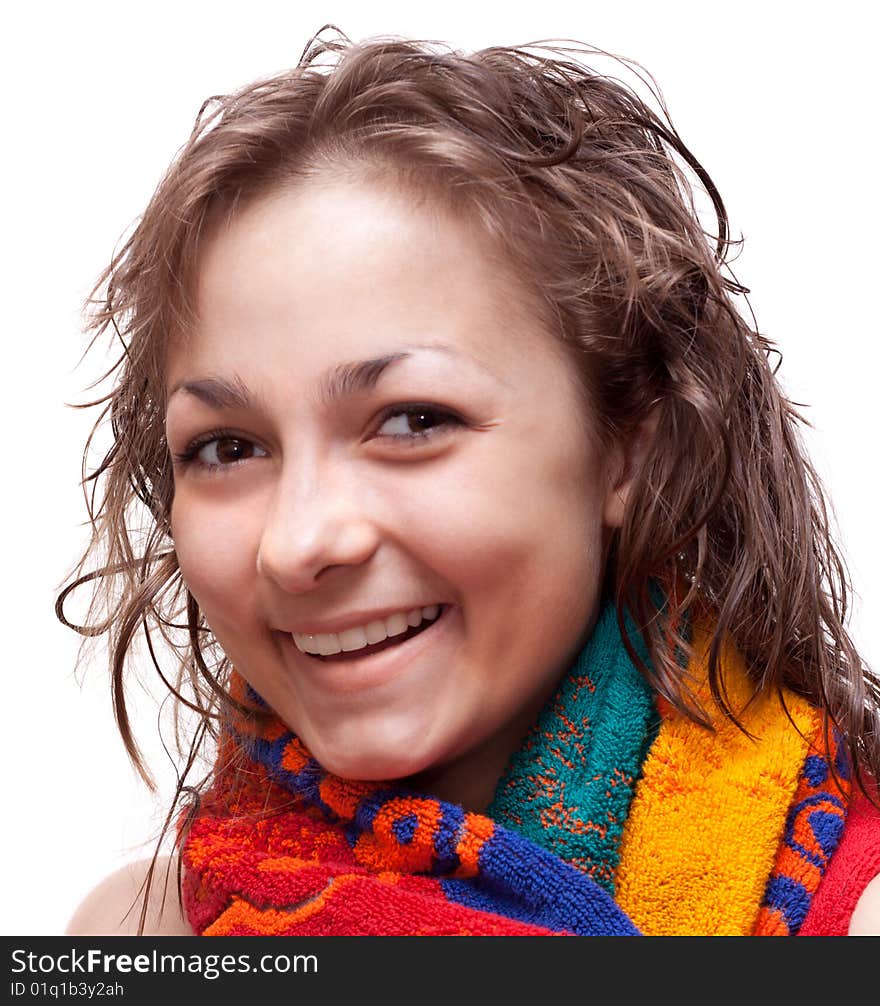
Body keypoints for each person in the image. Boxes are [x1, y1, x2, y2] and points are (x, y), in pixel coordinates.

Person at [59, 26, 880, 937]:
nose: (298, 544)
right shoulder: (138, 937)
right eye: (227, 448)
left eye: (413, 421)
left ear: (628, 451)